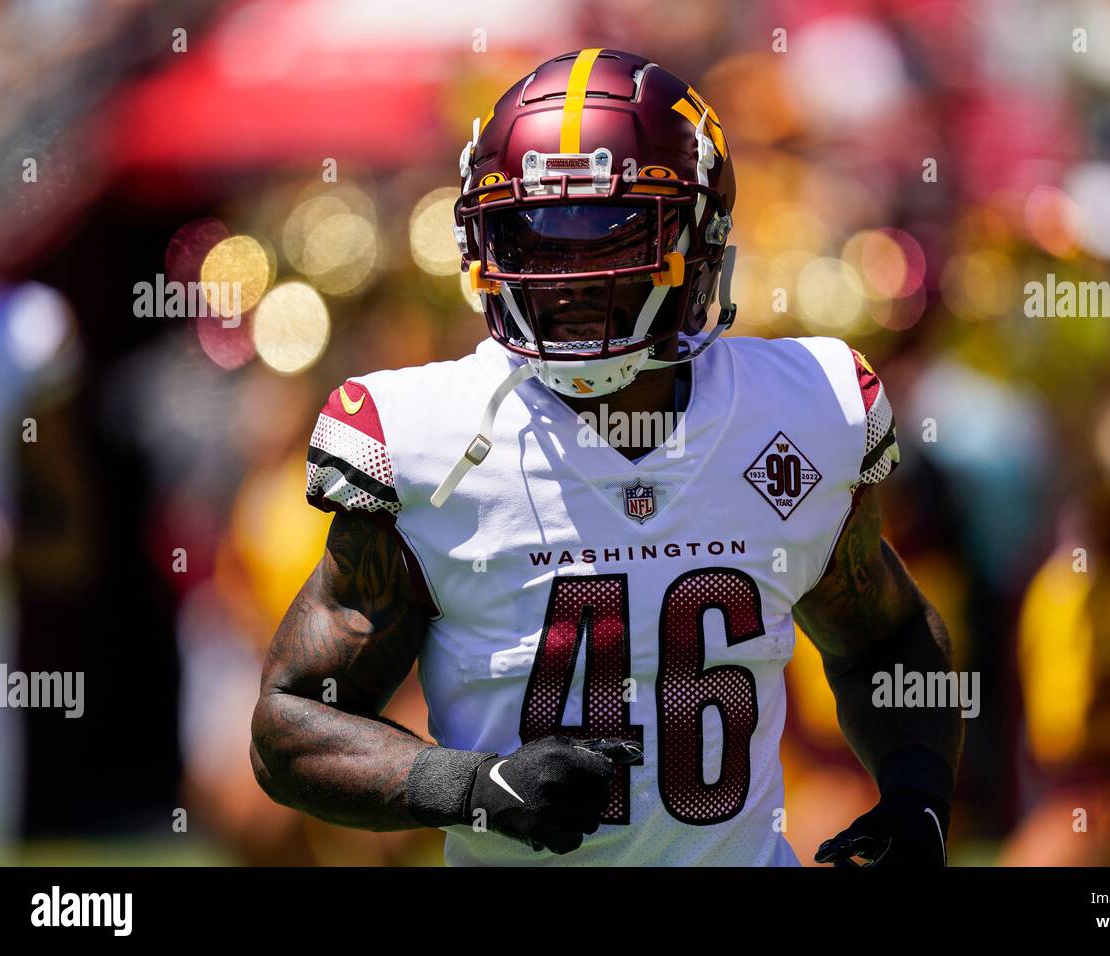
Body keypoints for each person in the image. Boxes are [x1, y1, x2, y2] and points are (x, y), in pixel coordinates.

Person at [251, 48, 961, 866]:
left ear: (702, 234)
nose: (567, 274)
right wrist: (473, 787)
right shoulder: (423, 441)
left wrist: (917, 798)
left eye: (606, 229)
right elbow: (290, 724)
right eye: (533, 231)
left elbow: (888, 637)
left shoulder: (804, 409)